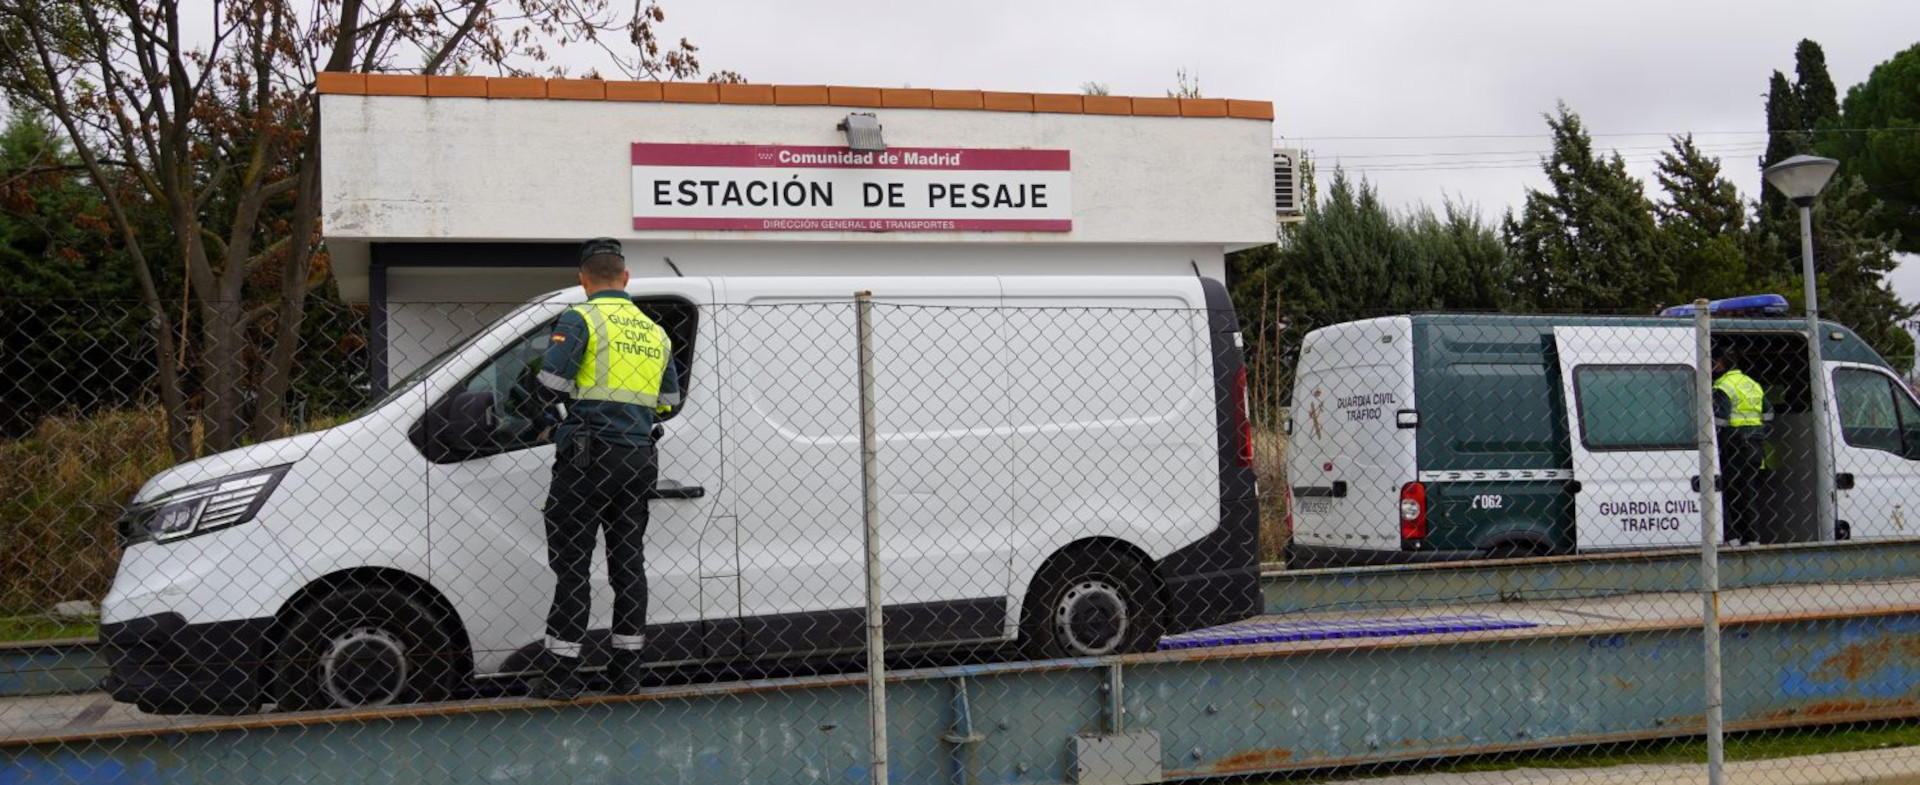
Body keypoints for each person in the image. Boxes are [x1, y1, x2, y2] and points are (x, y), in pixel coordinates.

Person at [525, 237, 680, 699]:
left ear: (583, 279)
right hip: (638, 458)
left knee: (573, 567)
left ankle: (561, 675)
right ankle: (626, 672)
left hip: (587, 459)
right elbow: (668, 403)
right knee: (628, 565)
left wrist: (552, 414)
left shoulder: (582, 318)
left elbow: (549, 384)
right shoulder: (655, 332)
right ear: (626, 277)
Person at [1711, 344, 1771, 545]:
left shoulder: (1722, 386)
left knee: (1726, 490)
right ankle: (1752, 538)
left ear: (1720, 363)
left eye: (1714, 363)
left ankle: (1732, 536)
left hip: (1735, 445)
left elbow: (1720, 420)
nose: (1713, 367)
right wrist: (1758, 430)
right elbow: (1769, 413)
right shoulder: (1752, 383)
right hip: (1756, 445)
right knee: (1748, 492)